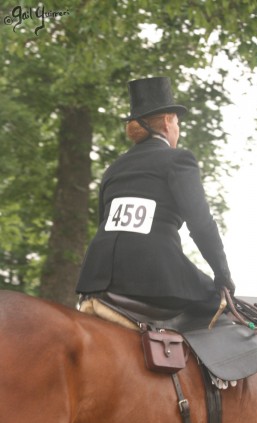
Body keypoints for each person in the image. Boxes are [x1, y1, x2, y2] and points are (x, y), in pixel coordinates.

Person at [76, 76, 235, 325]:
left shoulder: (114, 168)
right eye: (177, 123)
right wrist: (222, 275)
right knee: (219, 306)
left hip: (95, 274)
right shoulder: (178, 159)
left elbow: (103, 223)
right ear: (167, 121)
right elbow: (201, 224)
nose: (178, 130)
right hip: (153, 274)